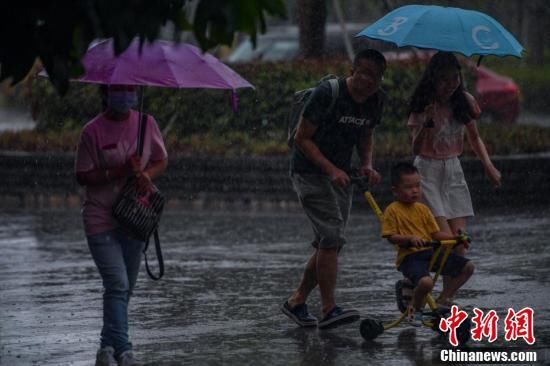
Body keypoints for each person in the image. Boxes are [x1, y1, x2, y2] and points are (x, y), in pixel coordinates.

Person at [282, 49, 386, 330]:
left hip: (341, 176)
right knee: (331, 237)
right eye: (362, 72)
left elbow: (366, 133)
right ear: (352, 71)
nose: (367, 80)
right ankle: (328, 309)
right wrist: (331, 169)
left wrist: (366, 164)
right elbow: (302, 139)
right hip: (309, 172)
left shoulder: (376, 100)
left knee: (330, 243)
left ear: (380, 80)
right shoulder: (328, 93)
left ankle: (297, 301)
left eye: (374, 76)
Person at [75, 84, 168, 366]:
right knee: (117, 284)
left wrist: (145, 174)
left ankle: (106, 349)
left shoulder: (146, 124)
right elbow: (83, 176)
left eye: (130, 89)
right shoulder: (92, 131)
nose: (125, 94)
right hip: (100, 218)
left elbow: (161, 159)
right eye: (119, 89)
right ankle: (125, 351)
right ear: (106, 92)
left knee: (124, 289)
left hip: (134, 218)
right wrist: (120, 171)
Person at [407, 51, 501, 256]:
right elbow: (416, 148)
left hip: (453, 171)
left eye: (455, 78)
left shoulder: (463, 101)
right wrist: (426, 123)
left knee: (460, 246)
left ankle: (445, 288)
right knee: (445, 241)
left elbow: (475, 138)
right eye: (443, 79)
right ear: (433, 79)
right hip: (427, 172)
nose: (450, 85)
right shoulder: (423, 104)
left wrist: (488, 166)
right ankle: (415, 280)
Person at [382, 162, 475, 325]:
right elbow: (390, 236)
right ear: (395, 191)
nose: (415, 190)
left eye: (418, 186)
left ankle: (443, 299)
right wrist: (409, 239)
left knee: (468, 267)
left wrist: (456, 238)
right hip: (410, 257)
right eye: (408, 187)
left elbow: (436, 234)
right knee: (426, 283)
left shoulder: (423, 209)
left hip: (429, 253)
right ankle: (413, 312)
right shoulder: (392, 210)